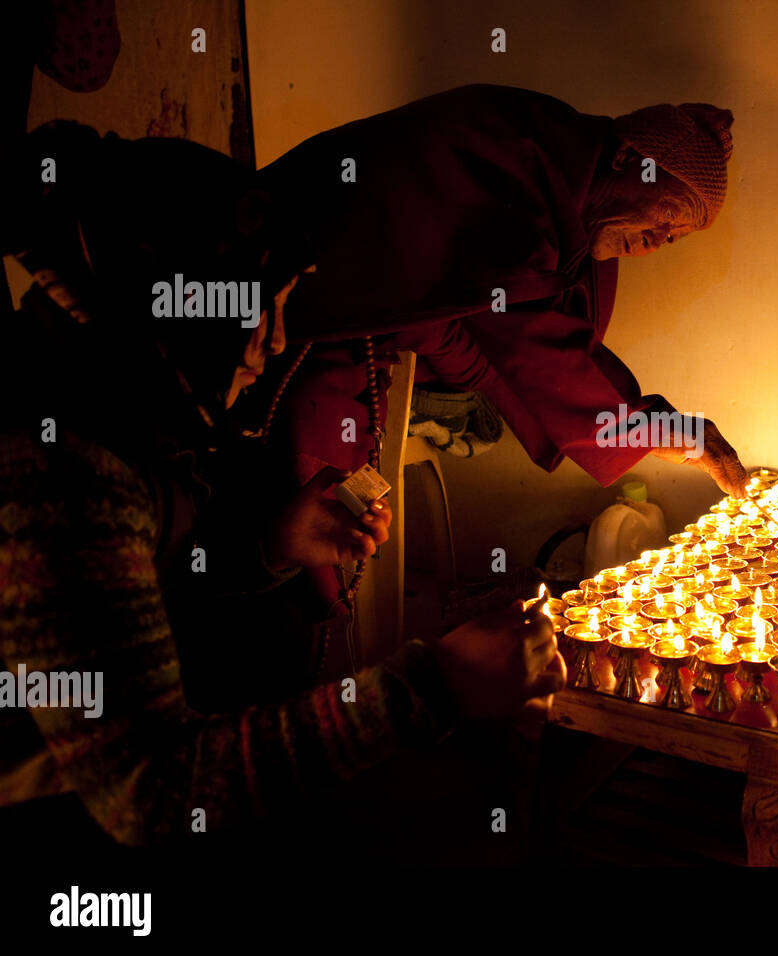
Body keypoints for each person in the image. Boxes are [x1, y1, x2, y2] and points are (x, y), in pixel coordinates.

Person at [0, 124, 565, 848]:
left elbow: (133, 595)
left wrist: (268, 543)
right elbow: (155, 792)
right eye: (262, 306)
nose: (271, 341)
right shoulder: (58, 465)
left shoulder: (119, 406)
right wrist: (432, 687)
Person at [253, 84, 749, 510]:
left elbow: (555, 338)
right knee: (297, 510)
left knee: (335, 524)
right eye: (667, 215)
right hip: (271, 299)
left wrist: (653, 424)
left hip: (368, 348)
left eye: (678, 237)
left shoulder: (573, 199)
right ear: (625, 158)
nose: (661, 240)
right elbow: (530, 336)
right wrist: (655, 429)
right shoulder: (524, 160)